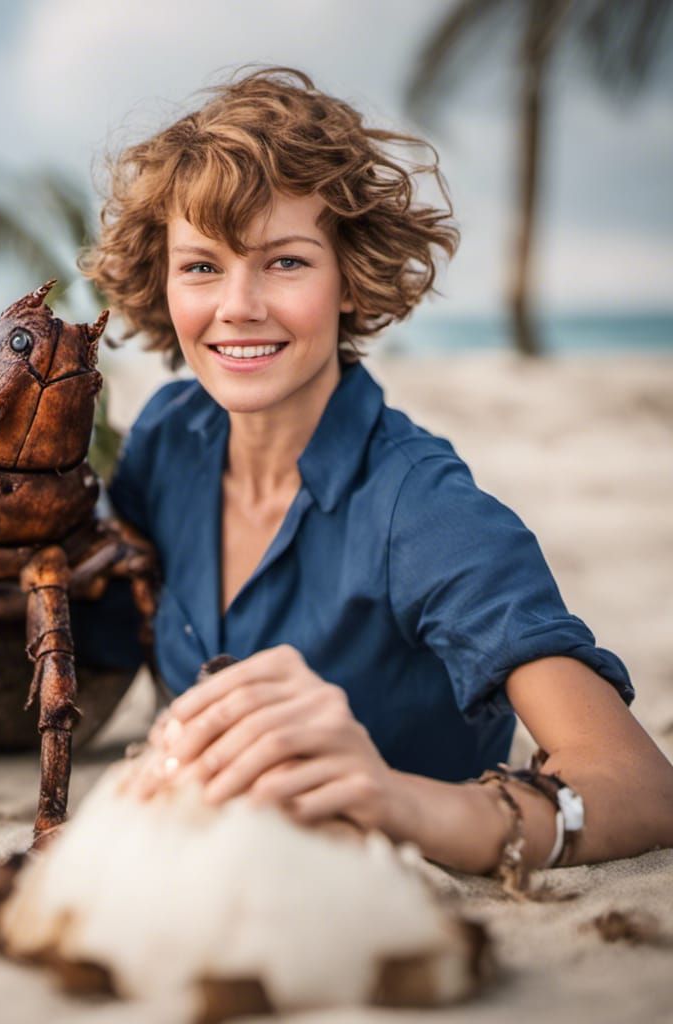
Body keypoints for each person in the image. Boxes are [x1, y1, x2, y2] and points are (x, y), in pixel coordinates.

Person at [77, 66, 673, 880]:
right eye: (203, 266)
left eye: (285, 263)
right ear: (164, 279)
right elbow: (91, 637)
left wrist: (395, 801)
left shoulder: (422, 508)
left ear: (350, 280)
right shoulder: (165, 442)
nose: (238, 305)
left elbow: (640, 787)